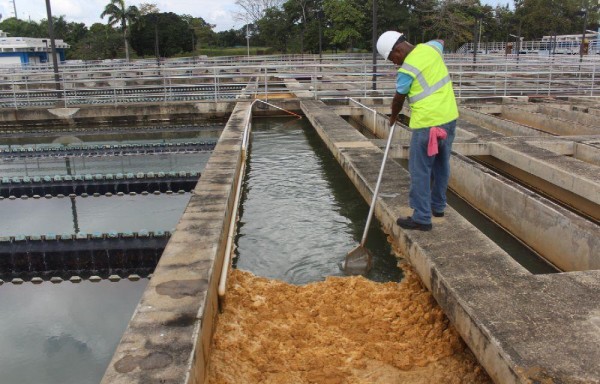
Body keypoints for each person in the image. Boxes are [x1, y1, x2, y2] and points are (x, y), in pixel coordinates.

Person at [376, 31, 458, 231]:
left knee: (420, 170)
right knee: (441, 165)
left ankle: (421, 218)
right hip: (448, 119)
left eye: (392, 58)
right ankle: (437, 207)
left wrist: (393, 117)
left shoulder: (407, 70)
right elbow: (440, 40)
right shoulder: (431, 49)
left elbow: (398, 98)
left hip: (427, 125)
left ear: (398, 49)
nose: (394, 63)